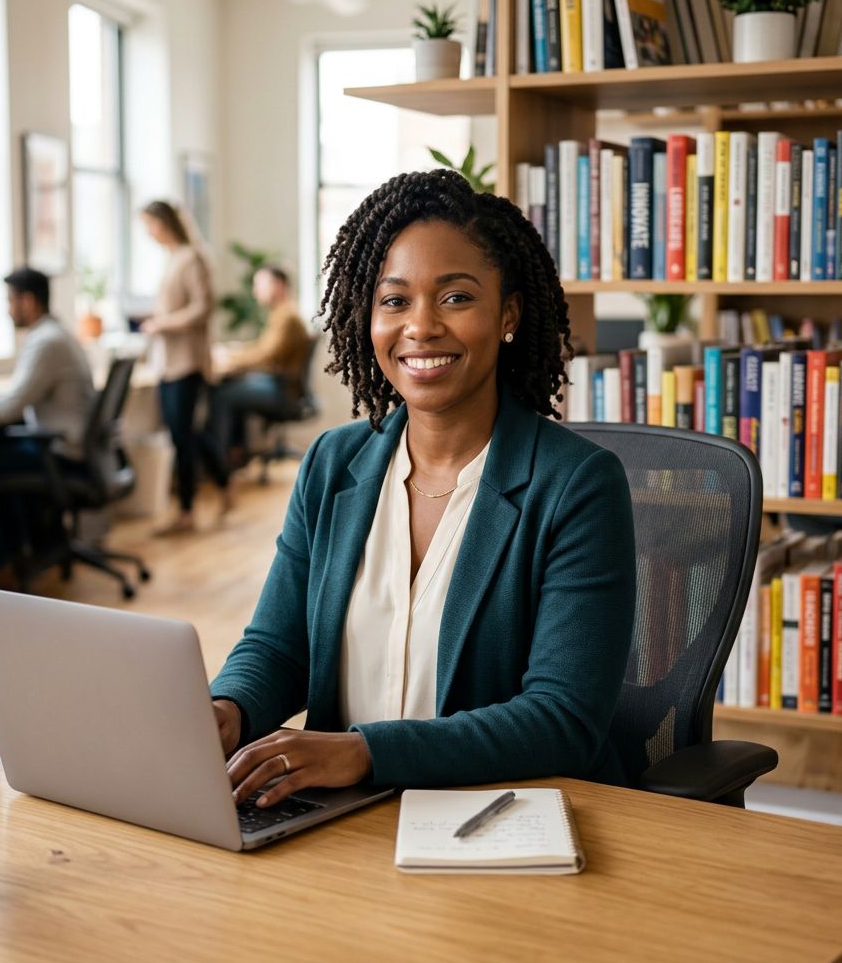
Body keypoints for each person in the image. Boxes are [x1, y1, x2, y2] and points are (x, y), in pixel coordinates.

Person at [210, 169, 637, 810]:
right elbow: (278, 645)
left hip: (500, 823)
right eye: (394, 300)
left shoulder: (576, 485)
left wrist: (364, 753)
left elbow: (562, 718)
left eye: (457, 298)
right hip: (339, 824)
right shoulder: (333, 463)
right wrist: (230, 708)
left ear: (509, 314)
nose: (421, 326)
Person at [0, 267, 94, 573]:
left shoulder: (46, 342)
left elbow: (8, 409)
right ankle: (19, 548)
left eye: (10, 301)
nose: (7, 310)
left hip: (61, 453)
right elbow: (16, 400)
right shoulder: (57, 334)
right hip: (72, 445)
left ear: (28, 302)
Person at [140, 200, 224, 533]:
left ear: (163, 224)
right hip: (166, 362)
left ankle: (186, 511)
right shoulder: (172, 258)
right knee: (186, 432)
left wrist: (163, 324)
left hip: (186, 361)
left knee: (182, 436)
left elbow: (202, 308)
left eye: (150, 224)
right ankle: (222, 481)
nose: (148, 232)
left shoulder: (191, 258)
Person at [202, 265, 312, 483]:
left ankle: (221, 465)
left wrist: (231, 358)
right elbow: (265, 349)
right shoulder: (282, 313)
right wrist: (235, 352)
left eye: (259, 284)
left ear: (278, 285)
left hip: (283, 390)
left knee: (223, 394)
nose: (255, 291)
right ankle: (235, 453)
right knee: (230, 388)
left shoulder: (287, 316)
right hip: (279, 384)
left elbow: (266, 356)